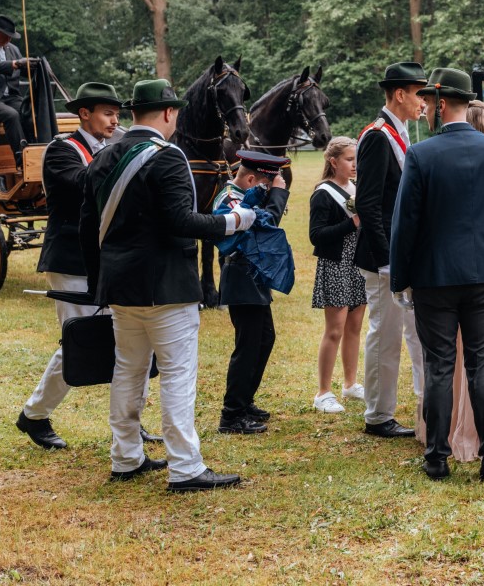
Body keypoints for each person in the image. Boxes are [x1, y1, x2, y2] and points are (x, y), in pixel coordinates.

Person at [79, 79, 252, 492]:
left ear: (132, 112)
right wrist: (234, 221)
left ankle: (125, 457)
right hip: (167, 287)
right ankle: (186, 467)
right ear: (170, 113)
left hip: (121, 286)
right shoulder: (169, 156)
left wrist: (100, 282)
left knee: (128, 371)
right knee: (177, 375)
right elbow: (181, 221)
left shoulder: (103, 156)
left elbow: (87, 227)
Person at [390, 67, 484, 481]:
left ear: (439, 104)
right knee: (481, 367)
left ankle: (436, 458)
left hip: (434, 277)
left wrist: (401, 279)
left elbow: (406, 223)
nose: (425, 108)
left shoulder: (421, 155)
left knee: (439, 367)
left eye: (428, 101)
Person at [16, 83, 159, 450]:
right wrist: (123, 157)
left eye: (117, 114)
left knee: (131, 341)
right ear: (84, 114)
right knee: (79, 342)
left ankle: (131, 424)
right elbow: (83, 185)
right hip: (72, 260)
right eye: (108, 113)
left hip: (111, 258)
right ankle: (34, 415)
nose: (115, 121)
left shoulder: (111, 148)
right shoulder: (62, 150)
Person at [354, 62, 427, 439]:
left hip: (404, 253)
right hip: (382, 257)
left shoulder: (400, 132)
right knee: (385, 335)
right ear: (400, 94)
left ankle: (422, 408)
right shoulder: (377, 136)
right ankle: (378, 415)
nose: (424, 103)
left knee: (412, 332)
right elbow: (368, 205)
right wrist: (386, 261)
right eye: (418, 95)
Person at [212, 150, 291, 435]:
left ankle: (244, 402)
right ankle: (231, 414)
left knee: (264, 339)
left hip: (251, 276)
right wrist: (278, 195)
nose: (267, 192)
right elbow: (266, 227)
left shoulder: (239, 194)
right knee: (248, 345)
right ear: (249, 180)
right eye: (265, 186)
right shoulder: (230, 199)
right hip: (241, 276)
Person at [309, 137, 367, 414]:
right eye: (349, 159)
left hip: (358, 263)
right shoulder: (323, 193)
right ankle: (323, 393)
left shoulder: (357, 188)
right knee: (335, 330)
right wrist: (351, 223)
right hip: (335, 264)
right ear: (333, 162)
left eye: (357, 159)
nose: (355, 164)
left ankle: (350, 383)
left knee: (355, 327)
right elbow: (316, 235)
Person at [0, 14, 28, 170]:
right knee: (11, 115)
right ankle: (23, 159)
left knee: (29, 111)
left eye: (11, 36)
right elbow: (9, 65)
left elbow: (23, 70)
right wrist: (13, 64)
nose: (9, 39)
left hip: (12, 97)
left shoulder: (13, 49)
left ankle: (38, 152)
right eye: (6, 35)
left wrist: (34, 66)